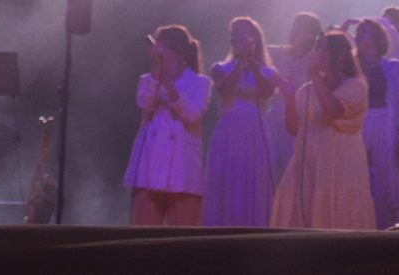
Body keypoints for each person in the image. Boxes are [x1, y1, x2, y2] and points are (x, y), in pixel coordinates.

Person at [270, 31, 376, 229]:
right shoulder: (307, 90)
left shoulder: (356, 86)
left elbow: (333, 110)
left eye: (324, 50)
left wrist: (313, 74)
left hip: (340, 166)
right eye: (317, 49)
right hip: (308, 166)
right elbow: (293, 129)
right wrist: (289, 99)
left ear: (341, 55)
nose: (318, 54)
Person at [124, 25, 212, 226]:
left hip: (182, 167)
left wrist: (170, 88)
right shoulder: (148, 80)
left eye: (161, 47)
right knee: (143, 234)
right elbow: (146, 105)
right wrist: (157, 75)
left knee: (182, 236)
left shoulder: (200, 83)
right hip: (149, 166)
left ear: (176, 51)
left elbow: (192, 113)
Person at [204, 17, 279, 227]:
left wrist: (254, 67)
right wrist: (240, 64)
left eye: (244, 34)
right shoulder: (220, 68)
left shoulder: (268, 72)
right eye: (235, 35)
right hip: (229, 131)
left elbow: (266, 92)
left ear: (256, 39)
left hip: (255, 132)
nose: (239, 39)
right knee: (228, 181)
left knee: (255, 182)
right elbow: (224, 91)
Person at [354, 18, 399, 228]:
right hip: (357, 129)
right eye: (359, 32)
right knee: (360, 180)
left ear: (377, 37)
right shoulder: (350, 67)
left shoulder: (393, 68)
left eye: (366, 31)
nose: (361, 35)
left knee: (385, 185)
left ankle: (385, 229)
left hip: (386, 130)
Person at [264, 12, 323, 183]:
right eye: (292, 26)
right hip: (275, 118)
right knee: (267, 170)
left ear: (310, 34)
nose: (291, 30)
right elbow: (258, 50)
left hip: (301, 121)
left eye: (297, 27)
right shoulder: (279, 53)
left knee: (294, 173)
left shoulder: (315, 59)